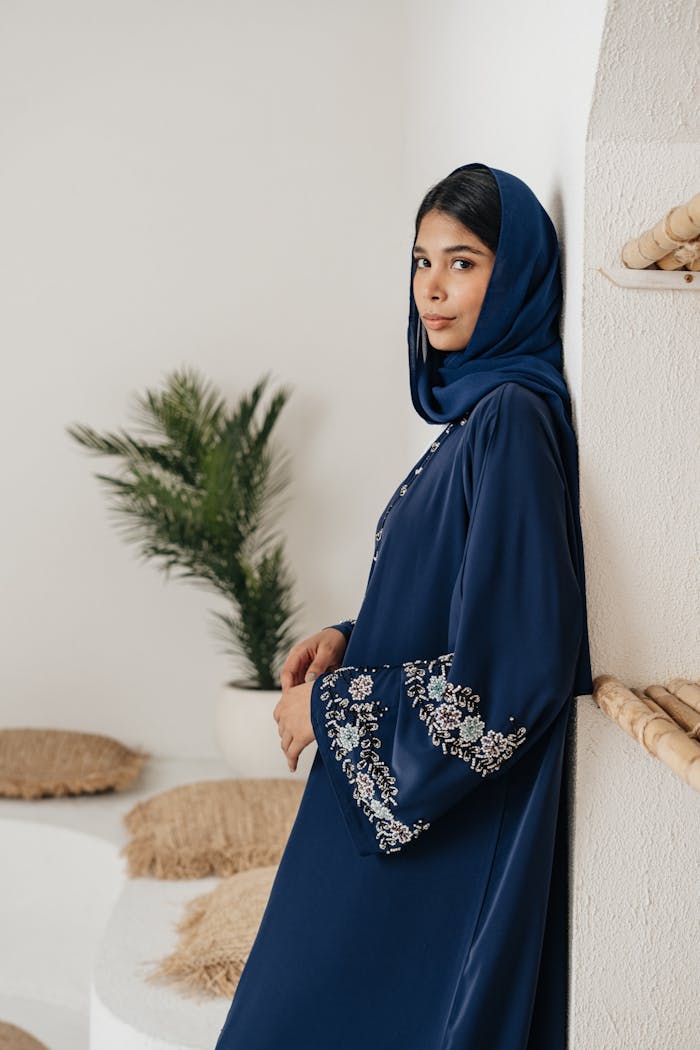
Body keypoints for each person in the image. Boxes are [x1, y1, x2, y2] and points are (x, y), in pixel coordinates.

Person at [213, 162, 594, 1050]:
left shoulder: (511, 420)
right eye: (422, 261)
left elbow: (513, 674)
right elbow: (461, 598)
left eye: (464, 262)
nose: (432, 287)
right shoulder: (475, 422)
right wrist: (350, 640)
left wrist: (330, 707)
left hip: (442, 835)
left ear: (518, 276)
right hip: (396, 814)